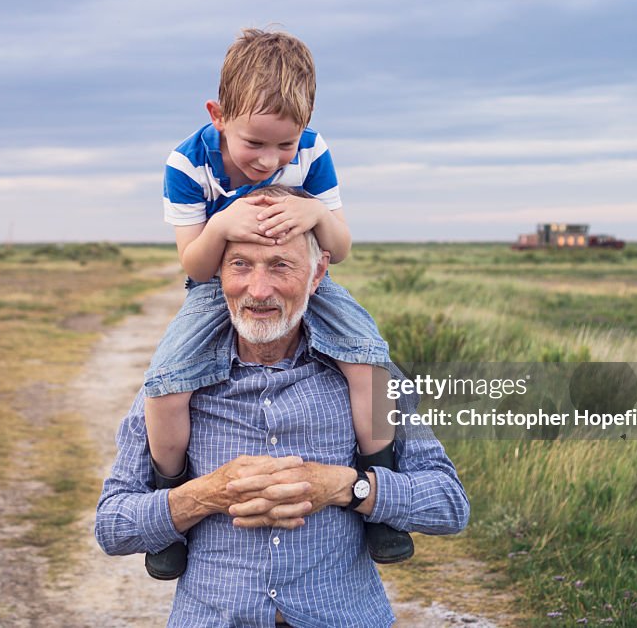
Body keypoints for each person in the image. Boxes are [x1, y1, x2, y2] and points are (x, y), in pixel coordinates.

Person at [95, 192, 470, 627]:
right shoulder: (172, 384)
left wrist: (347, 488)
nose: (258, 290)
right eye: (240, 265)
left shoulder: (367, 378)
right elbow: (113, 526)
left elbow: (449, 503)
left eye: (280, 266)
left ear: (318, 273)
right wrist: (205, 495)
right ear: (217, 273)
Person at [144, 27, 410, 580]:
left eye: (284, 144)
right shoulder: (187, 164)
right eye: (255, 144)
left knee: (372, 361)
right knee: (167, 380)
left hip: (310, 278)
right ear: (218, 115)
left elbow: (341, 249)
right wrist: (222, 225)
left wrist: (316, 215)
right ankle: (170, 503)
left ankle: (380, 490)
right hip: (216, 286)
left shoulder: (313, 152)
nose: (270, 160)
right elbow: (193, 264)